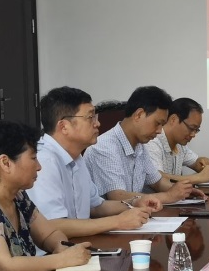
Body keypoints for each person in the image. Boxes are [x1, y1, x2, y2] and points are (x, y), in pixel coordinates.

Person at [0, 120, 92, 271]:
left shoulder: (19, 196)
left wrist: (60, 246)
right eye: (33, 158)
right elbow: (2, 267)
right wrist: (61, 260)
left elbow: (49, 234)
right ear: (5, 163)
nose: (39, 167)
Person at [26, 86, 162, 237]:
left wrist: (134, 202)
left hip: (79, 245)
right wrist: (117, 221)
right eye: (90, 117)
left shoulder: (76, 157)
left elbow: (96, 206)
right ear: (64, 126)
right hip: (55, 251)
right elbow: (51, 225)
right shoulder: (43, 161)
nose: (98, 124)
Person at [86, 86, 199, 204]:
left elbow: (157, 182)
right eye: (157, 123)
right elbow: (118, 196)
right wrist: (168, 196)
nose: (159, 131)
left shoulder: (139, 146)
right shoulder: (105, 147)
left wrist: (184, 192)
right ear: (139, 114)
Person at [145, 97, 209, 184]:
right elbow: (157, 179)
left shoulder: (180, 145)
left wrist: (204, 163)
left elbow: (196, 162)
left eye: (196, 130)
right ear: (173, 119)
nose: (193, 135)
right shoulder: (152, 142)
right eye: (191, 128)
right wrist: (199, 177)